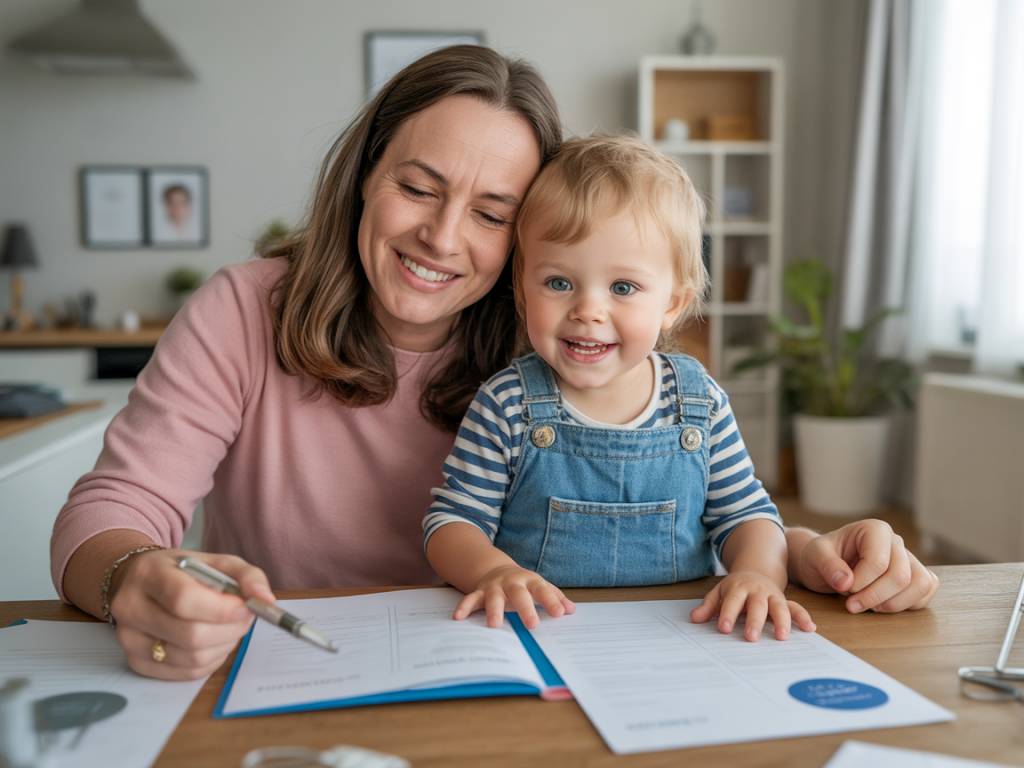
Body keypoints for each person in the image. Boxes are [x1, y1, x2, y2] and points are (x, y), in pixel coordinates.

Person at [50, 46, 938, 682]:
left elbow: (677, 505)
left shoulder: (560, 337)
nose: (441, 237)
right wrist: (135, 577)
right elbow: (112, 511)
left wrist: (812, 553)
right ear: (365, 173)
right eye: (418, 187)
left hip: (532, 672)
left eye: (490, 212)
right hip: (289, 675)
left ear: (527, 241)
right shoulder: (243, 310)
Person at [424, 136, 812, 641]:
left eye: (622, 288)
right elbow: (452, 523)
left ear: (673, 303)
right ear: (522, 289)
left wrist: (758, 576)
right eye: (559, 283)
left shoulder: (700, 403)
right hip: (539, 631)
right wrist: (491, 572)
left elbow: (747, 516)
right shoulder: (507, 404)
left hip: (682, 635)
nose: (588, 310)